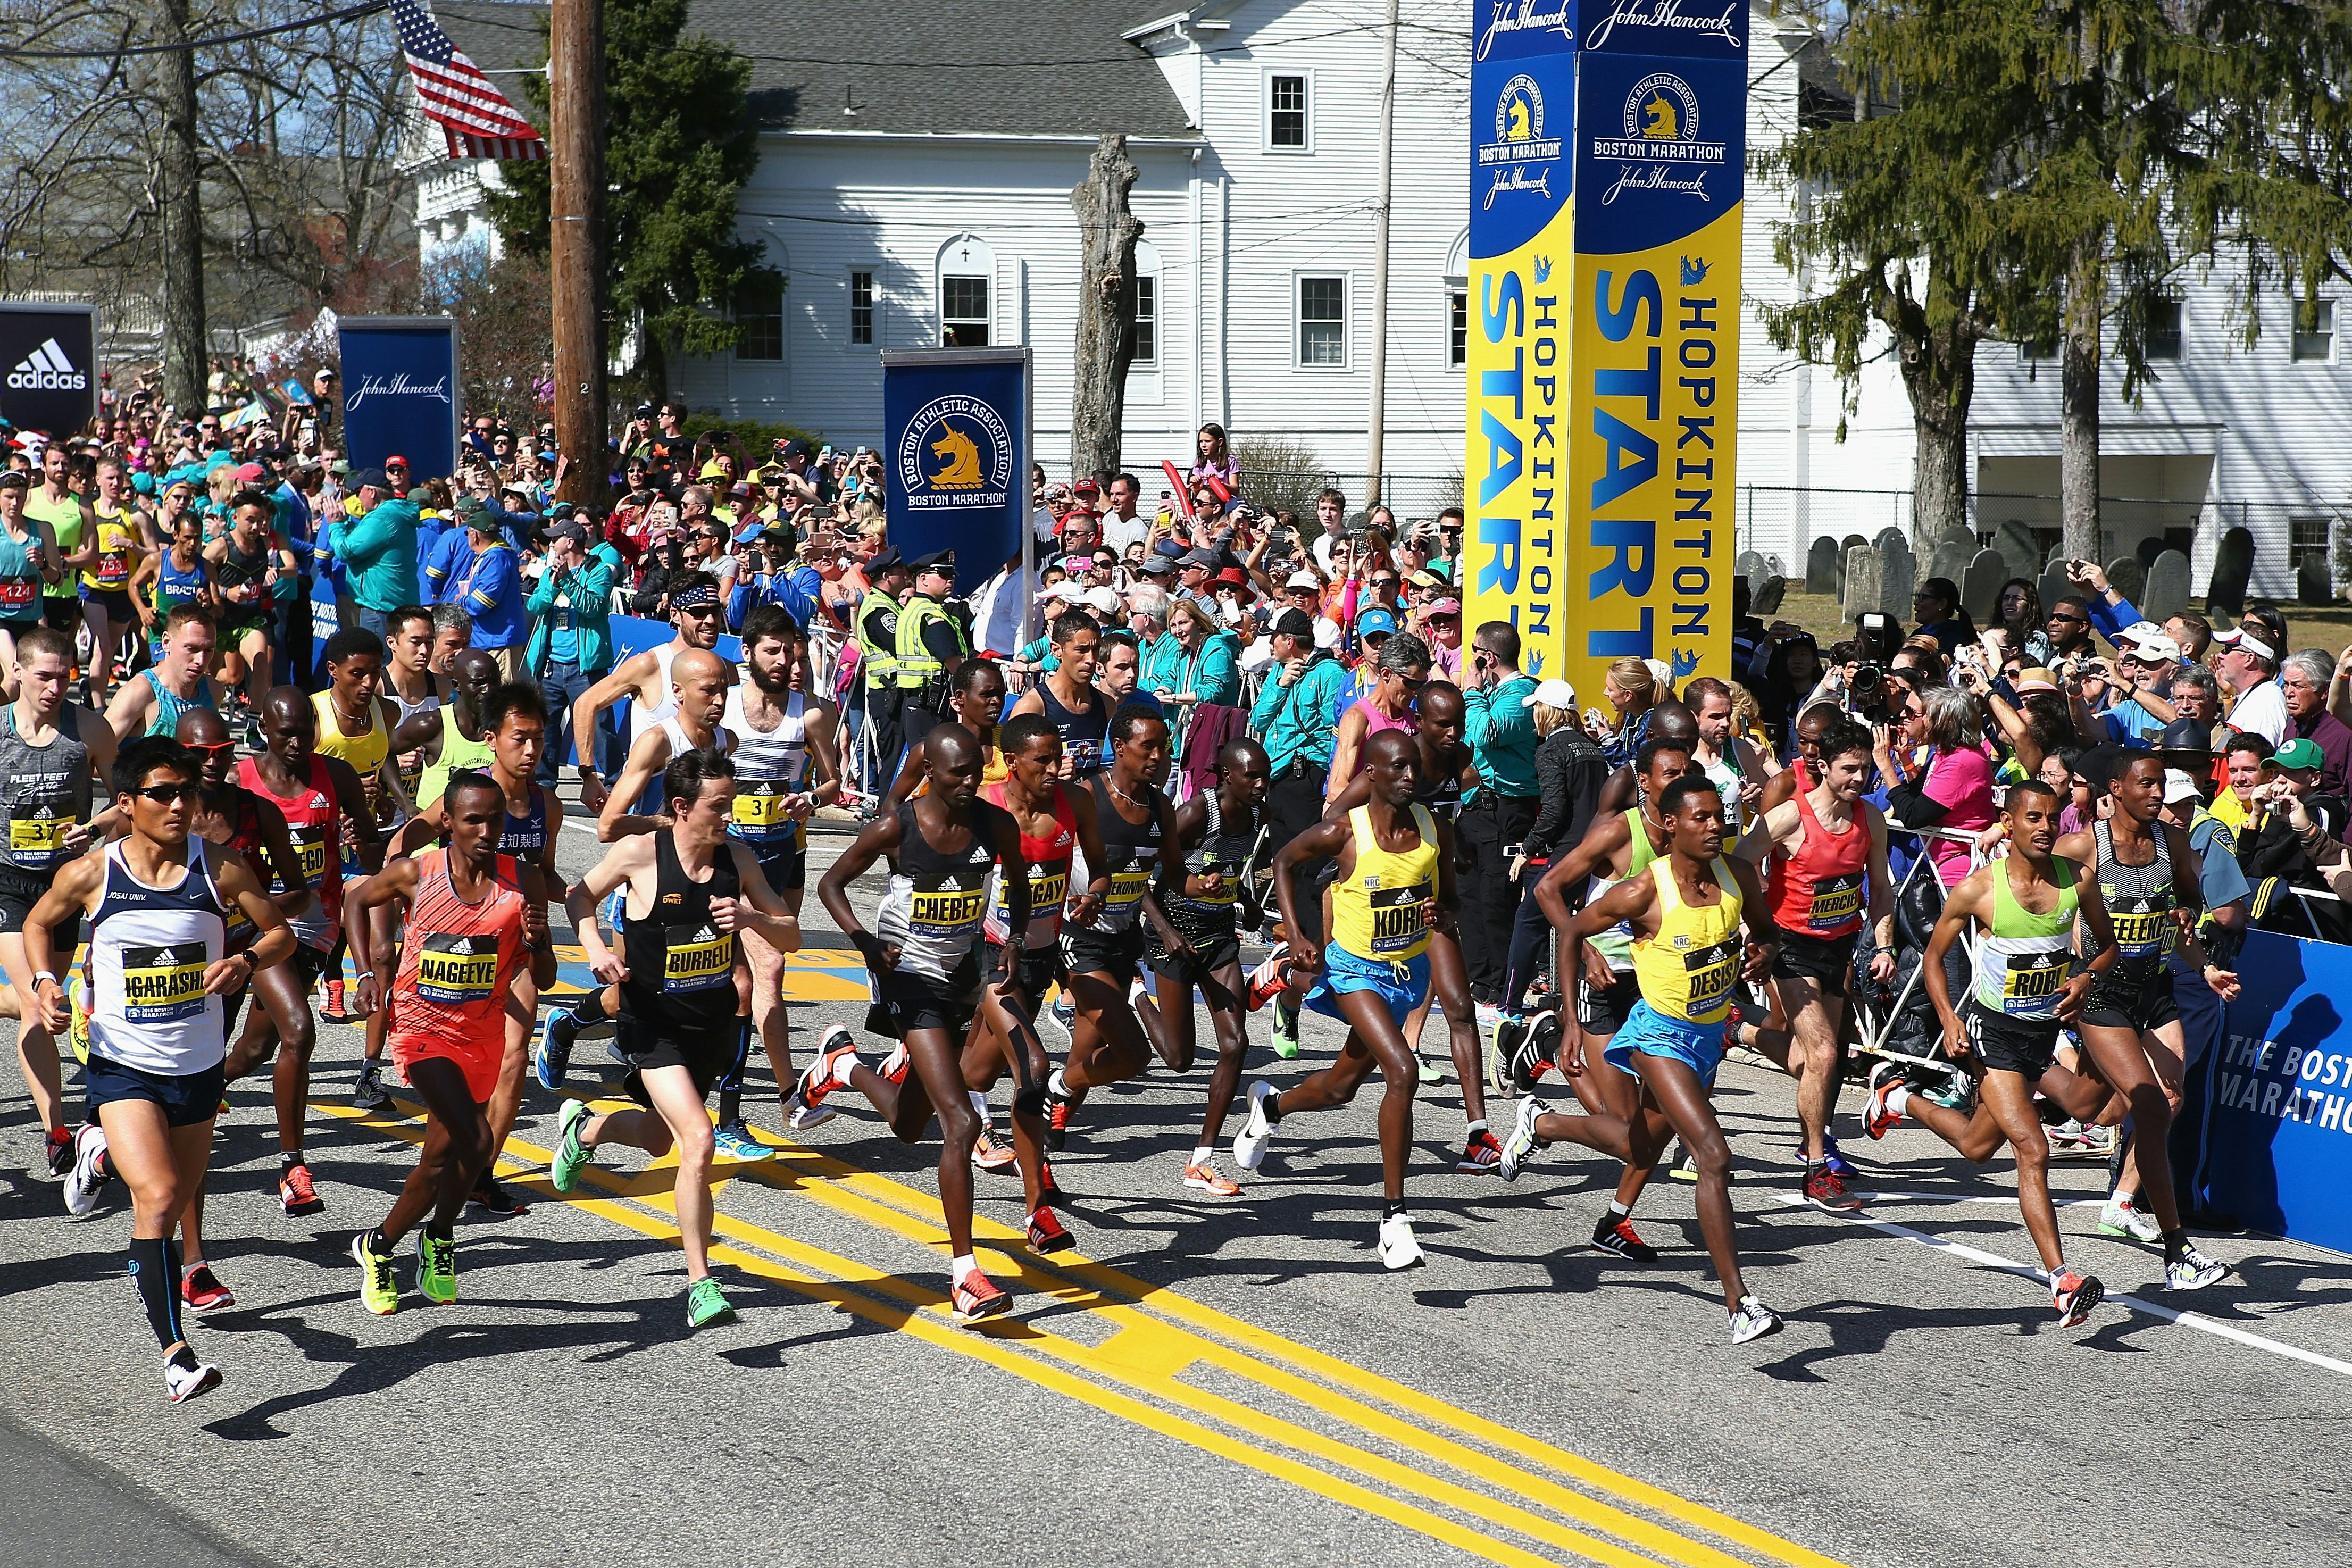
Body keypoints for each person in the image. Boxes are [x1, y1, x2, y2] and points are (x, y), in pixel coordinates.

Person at [35, 736, 294, 1402]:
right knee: (156, 1196)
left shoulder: (223, 870)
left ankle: (97, 1152)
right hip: (122, 1065)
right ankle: (177, 1355)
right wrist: (45, 980)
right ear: (126, 803)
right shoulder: (94, 873)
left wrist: (247, 961)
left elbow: (282, 932)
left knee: (176, 1193)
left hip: (198, 1066)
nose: (180, 804)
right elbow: (40, 924)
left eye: (187, 792)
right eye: (162, 793)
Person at [1500, 774, 1786, 1342]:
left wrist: (1764, 953)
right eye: (1701, 817)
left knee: (1637, 1146)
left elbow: (1768, 933)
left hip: (1707, 1037)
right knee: (1713, 1153)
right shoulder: (1642, 891)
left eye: (1719, 816)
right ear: (1672, 824)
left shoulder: (1739, 875)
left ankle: (1544, 1122)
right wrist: (1574, 1025)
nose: (1715, 826)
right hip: (1659, 1036)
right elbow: (1573, 931)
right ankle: (1740, 1303)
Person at [800, 725, 1067, 1323]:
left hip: (962, 978)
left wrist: (1016, 939)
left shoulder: (994, 827)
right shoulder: (898, 826)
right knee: (962, 1118)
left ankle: (842, 1064)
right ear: (931, 772)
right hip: (908, 980)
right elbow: (830, 882)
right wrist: (866, 943)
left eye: (977, 770)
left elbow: (1020, 887)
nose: (971, 781)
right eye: (957, 773)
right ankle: (965, 1273)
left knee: (907, 1122)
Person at [551, 749, 802, 1326]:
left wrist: (753, 919)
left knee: (658, 1139)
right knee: (699, 1139)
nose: (730, 814)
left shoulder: (737, 860)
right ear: (684, 807)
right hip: (652, 1025)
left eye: (733, 801)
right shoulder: (642, 853)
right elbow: (578, 895)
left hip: (710, 1027)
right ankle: (700, 1282)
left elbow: (789, 937)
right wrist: (593, 948)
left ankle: (583, 1127)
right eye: (720, 804)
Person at [1864, 782, 2125, 1325]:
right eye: (2033, 817)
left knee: (1985, 1143)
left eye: (2053, 817)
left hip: (2040, 1035)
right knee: (2032, 1148)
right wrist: (1951, 1017)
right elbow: (1935, 958)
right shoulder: (1979, 889)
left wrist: (2085, 980)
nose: (2045, 827)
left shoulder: (2078, 881)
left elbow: (2108, 947)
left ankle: (1897, 1097)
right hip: (1992, 1034)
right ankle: (2062, 1280)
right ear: (2008, 823)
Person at [1233, 730, 1458, 1270]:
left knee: (1339, 1088)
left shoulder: (1434, 828)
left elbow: (1449, 902)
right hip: (1356, 970)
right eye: (1398, 768)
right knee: (1401, 1068)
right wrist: (1297, 932)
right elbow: (1285, 863)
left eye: (1415, 768)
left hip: (1407, 971)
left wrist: (1439, 916)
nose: (1410, 777)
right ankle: (1394, 1216)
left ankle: (1271, 1106)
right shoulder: (1344, 832)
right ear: (1373, 775)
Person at [344, 774, 557, 1314]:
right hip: (421, 1029)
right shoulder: (420, 873)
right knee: (478, 1140)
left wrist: (538, 939)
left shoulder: (523, 881)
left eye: (495, 820)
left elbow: (547, 976)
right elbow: (357, 899)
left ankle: (396, 1242)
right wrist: (366, 971)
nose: (487, 831)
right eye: (473, 820)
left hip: (481, 1035)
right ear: (448, 823)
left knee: (440, 1160)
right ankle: (422, 1239)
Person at [1514, 735, 1700, 1258]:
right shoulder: (1620, 830)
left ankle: (1614, 1222)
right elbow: (1549, 888)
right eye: (1668, 773)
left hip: (1661, 987)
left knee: (1658, 1122)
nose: (1679, 782)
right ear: (1644, 780)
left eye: (1686, 772)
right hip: (1608, 983)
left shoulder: (1695, 833)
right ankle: (1544, 1116)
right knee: (1625, 1134)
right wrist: (1586, 945)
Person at [1324, 682, 1495, 1163]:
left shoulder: (1460, 757)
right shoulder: (1397, 762)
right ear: (1419, 722)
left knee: (1460, 1006)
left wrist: (1456, 847)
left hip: (1426, 903)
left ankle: (1477, 1131)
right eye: (1443, 723)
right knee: (1343, 1081)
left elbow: (1474, 811)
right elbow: (1336, 819)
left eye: (1459, 722)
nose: (1453, 732)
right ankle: (1289, 985)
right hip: (1369, 897)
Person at [1730, 721, 1896, 1211]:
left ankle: (1739, 1030)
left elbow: (1882, 888)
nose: (1859, 778)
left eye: (1865, 768)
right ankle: (1817, 1167)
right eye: (1849, 769)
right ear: (1822, 766)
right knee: (1823, 1054)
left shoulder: (1871, 818)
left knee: (1815, 1062)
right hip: (1789, 946)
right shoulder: (1789, 818)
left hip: (1839, 947)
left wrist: (1883, 945)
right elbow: (1739, 865)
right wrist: (1753, 932)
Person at [704, 607, 839, 1156]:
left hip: (785, 854)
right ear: (749, 653)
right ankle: (776, 1097)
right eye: (774, 651)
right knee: (761, 968)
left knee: (767, 975)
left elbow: (832, 782)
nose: (786, 662)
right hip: (730, 856)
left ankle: (780, 1097)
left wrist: (811, 797)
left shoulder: (810, 715)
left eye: (793, 652)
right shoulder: (724, 710)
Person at [960, 713, 1109, 1174]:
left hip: (1041, 952)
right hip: (990, 953)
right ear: (1012, 763)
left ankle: (912, 1074)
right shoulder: (985, 805)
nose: (1054, 769)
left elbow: (1101, 870)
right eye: (1041, 761)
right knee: (1033, 1063)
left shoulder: (1076, 803)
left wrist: (1094, 898)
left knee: (977, 1072)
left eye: (1058, 759)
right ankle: (1037, 1181)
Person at [1044, 705, 1186, 1149]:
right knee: (1133, 1053)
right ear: (1120, 748)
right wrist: (1070, 898)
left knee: (1087, 1054)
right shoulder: (1085, 797)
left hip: (1123, 942)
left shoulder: (1161, 806)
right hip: (1076, 938)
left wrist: (1210, 886)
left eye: (1164, 748)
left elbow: (1176, 876)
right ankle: (1056, 1089)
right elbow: (1044, 855)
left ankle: (1047, 1123)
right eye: (1149, 747)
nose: (1159, 757)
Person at [0, 628, 115, 1177]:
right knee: (36, 995)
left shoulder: (88, 728)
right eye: (44, 675)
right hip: (6, 881)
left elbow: (128, 801)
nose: (54, 686)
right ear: (17, 672)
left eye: (64, 675)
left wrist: (91, 829)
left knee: (40, 1008)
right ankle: (57, 1129)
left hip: (64, 884)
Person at [1135, 737, 1270, 1195]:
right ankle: (1137, 993)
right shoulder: (1197, 813)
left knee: (1235, 1044)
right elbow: (1140, 877)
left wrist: (1248, 904)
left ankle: (1202, 1160)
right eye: (1251, 776)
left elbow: (1234, 872)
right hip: (1173, 935)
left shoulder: (1256, 815)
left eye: (1264, 775)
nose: (1260, 784)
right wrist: (1166, 931)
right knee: (1178, 1059)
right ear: (1227, 775)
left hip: (1218, 938)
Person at [570, 583, 732, 812]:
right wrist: (588, 774)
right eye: (698, 612)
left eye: (715, 612)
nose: (710, 620)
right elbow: (586, 703)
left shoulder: (724, 671)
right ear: (675, 614)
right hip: (652, 811)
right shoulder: (650, 665)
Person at [1460, 621, 1541, 1027]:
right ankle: (1479, 981)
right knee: (1471, 895)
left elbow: (1484, 734)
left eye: (1474, 651)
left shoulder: (1522, 696)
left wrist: (1472, 693)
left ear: (1487, 657)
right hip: (1479, 805)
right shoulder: (1497, 693)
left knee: (1496, 897)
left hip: (1509, 809)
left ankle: (1500, 987)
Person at [525, 518, 616, 788]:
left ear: (570, 542)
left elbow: (594, 607)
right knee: (547, 728)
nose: (551, 543)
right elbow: (535, 605)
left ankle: (614, 782)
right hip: (551, 666)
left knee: (599, 727)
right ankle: (544, 785)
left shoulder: (599, 571)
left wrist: (568, 581)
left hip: (585, 668)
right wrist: (554, 584)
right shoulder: (549, 572)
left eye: (555, 538)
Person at [204, 490, 289, 728]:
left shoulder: (264, 544)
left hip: (249, 620)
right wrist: (224, 593)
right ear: (235, 518)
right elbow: (196, 577)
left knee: (262, 664)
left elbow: (289, 564)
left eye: (261, 520)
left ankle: (254, 725)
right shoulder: (221, 547)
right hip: (219, 621)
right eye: (250, 520)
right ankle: (201, 715)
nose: (256, 526)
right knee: (220, 676)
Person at [1006, 608, 1110, 777]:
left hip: (1087, 803)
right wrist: (1048, 772)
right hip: (1047, 802)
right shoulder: (1033, 706)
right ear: (1056, 650)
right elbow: (1011, 768)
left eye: (1096, 649)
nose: (1091, 659)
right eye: (1081, 650)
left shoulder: (1106, 704)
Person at [324, 469, 420, 642]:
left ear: (372, 492)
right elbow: (368, 545)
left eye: (359, 492)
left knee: (378, 666)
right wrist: (346, 523)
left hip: (381, 609)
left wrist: (335, 525)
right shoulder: (392, 514)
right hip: (393, 605)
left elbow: (347, 552)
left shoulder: (383, 517)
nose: (357, 498)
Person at [1327, 631, 1428, 792]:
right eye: (1411, 684)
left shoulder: (1415, 719)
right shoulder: (1358, 718)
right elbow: (1336, 789)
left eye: (1422, 684)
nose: (1417, 692)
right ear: (1387, 674)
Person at [104, 603, 216, 741]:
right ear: (166, 642)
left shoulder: (213, 691)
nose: (201, 660)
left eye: (209, 650)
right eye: (192, 649)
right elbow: (94, 754)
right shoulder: (140, 693)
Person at [894, 550, 968, 745]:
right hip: (931, 705)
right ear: (924, 578)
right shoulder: (930, 614)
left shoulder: (911, 608)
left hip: (917, 702)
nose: (950, 580)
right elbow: (955, 664)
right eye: (943, 575)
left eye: (952, 576)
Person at [0, 470, 62, 679]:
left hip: (29, 619)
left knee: (26, 680)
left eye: (20, 497)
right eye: (9, 497)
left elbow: (58, 579)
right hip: (1, 619)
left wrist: (43, 565)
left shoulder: (43, 530)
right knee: (14, 674)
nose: (15, 503)